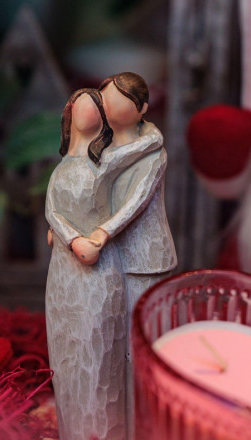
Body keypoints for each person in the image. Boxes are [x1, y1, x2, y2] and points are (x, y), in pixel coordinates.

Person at [44, 87, 163, 440]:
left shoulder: (106, 163)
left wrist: (152, 135)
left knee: (97, 354)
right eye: (82, 102)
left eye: (97, 105)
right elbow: (51, 209)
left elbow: (140, 154)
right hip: (64, 269)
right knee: (66, 350)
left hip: (97, 268)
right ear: (69, 111)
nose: (89, 108)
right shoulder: (62, 167)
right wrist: (69, 237)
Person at [93, 72, 177, 439]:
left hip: (144, 258)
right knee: (112, 345)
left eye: (118, 99)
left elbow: (136, 202)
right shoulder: (99, 150)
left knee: (138, 345)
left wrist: (101, 232)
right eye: (103, 98)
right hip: (107, 257)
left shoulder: (153, 153)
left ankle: (143, 426)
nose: (107, 105)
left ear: (141, 108)